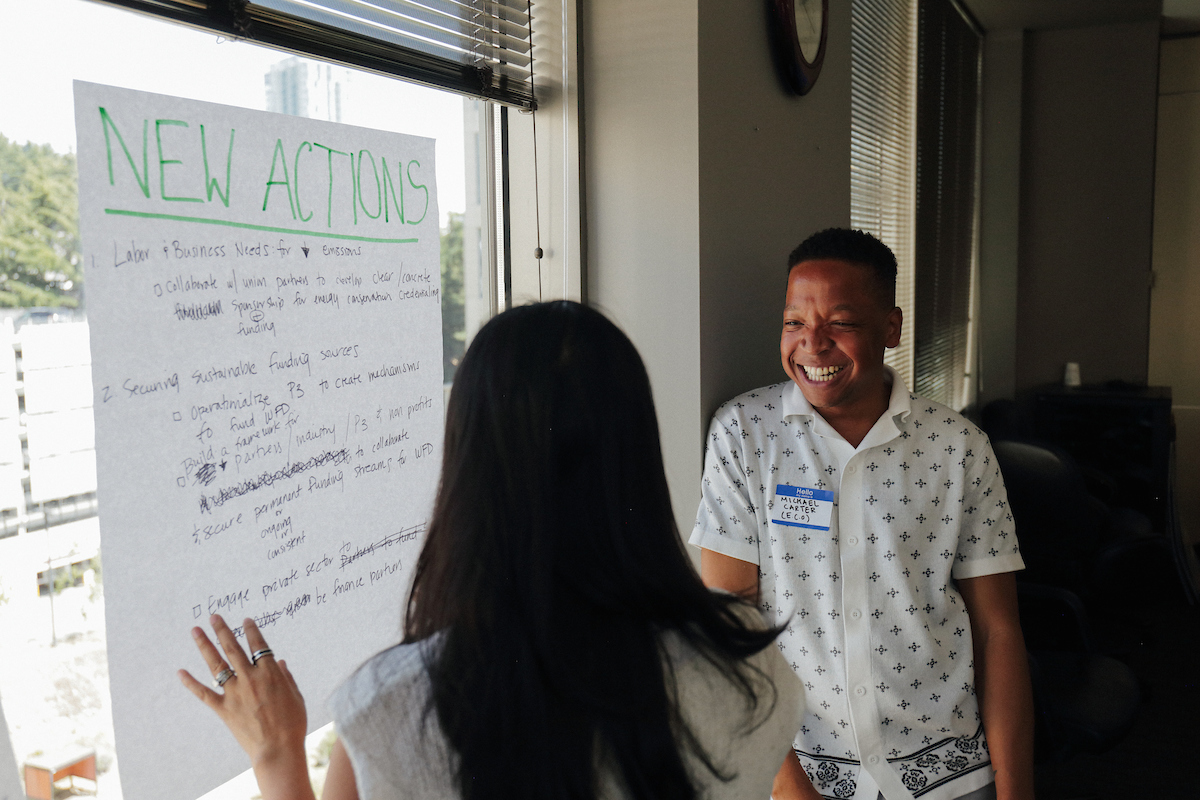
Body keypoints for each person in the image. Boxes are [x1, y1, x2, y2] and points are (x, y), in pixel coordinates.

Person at [180, 300, 806, 800]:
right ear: (637, 459)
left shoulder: (395, 708)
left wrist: (277, 756)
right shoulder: (747, 666)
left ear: (467, 468)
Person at [690, 229, 1034, 800]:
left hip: (946, 773)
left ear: (890, 328)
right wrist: (791, 788)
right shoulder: (745, 434)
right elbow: (731, 624)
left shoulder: (957, 447)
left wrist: (1016, 790)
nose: (813, 344)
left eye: (841, 323)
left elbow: (997, 630)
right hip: (795, 771)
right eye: (794, 322)